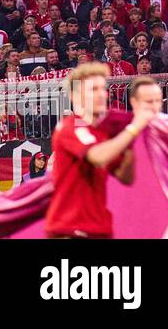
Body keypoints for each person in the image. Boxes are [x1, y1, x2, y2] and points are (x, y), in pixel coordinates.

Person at [43, 62, 157, 238]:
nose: (101, 95)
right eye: (93, 89)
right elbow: (96, 156)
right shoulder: (70, 126)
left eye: (103, 89)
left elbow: (125, 177)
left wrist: (128, 144)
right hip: (70, 230)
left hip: (99, 229)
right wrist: (134, 127)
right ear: (74, 96)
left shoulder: (103, 133)